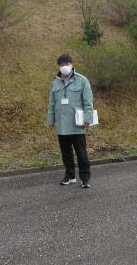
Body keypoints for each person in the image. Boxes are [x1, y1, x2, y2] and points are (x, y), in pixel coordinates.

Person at [47, 54, 94, 188]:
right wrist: (51, 120)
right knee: (66, 153)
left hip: (77, 125)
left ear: (72, 65)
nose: (64, 67)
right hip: (62, 125)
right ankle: (70, 176)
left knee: (81, 153)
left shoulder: (82, 80)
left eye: (66, 64)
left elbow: (88, 102)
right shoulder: (55, 82)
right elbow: (51, 104)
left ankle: (85, 179)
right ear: (58, 66)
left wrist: (87, 119)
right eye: (61, 64)